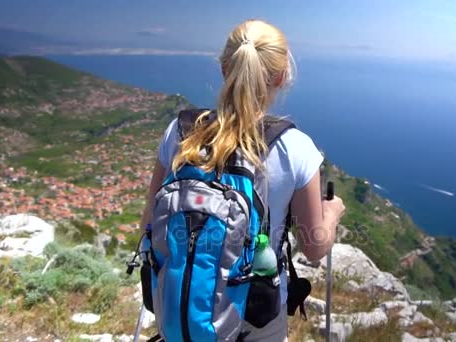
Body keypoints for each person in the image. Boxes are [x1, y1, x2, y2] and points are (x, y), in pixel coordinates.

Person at [140, 19, 346, 341]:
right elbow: (315, 245)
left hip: (181, 306)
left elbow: (148, 224)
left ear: (224, 68)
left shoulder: (180, 133)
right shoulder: (294, 148)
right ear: (280, 77)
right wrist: (332, 212)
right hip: (256, 315)